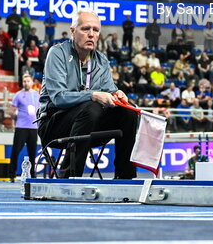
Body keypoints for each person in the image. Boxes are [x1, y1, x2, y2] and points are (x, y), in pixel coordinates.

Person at [37, 11, 138, 179]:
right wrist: (93, 95)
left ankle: (125, 176)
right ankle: (68, 176)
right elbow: (59, 98)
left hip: (89, 125)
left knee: (128, 112)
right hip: (53, 122)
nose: (91, 34)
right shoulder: (57, 53)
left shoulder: (101, 60)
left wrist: (118, 94)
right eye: (85, 29)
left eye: (96, 30)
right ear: (72, 31)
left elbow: (109, 91)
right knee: (91, 107)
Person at [8, 74, 40, 180]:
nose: (26, 83)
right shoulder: (18, 95)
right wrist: (15, 117)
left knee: (32, 153)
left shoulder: (36, 95)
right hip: (21, 127)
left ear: (32, 83)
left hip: (33, 127)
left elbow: (39, 109)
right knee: (16, 151)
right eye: (24, 81)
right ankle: (12, 174)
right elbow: (11, 110)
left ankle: (33, 174)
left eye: (28, 81)